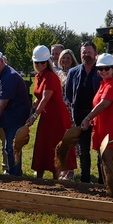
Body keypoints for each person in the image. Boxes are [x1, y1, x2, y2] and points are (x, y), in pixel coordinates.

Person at [26, 45, 74, 179]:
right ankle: (40, 174)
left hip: (57, 117)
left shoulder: (51, 77)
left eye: (43, 62)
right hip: (47, 116)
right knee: (42, 145)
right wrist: (31, 109)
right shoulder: (38, 76)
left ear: (47, 62)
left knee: (55, 145)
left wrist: (34, 116)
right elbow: (39, 98)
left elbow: (45, 99)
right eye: (37, 62)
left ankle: (56, 175)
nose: (40, 65)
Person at [0, 48, 32, 176]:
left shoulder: (10, 76)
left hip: (15, 118)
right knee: (9, 147)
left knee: (12, 147)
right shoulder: (2, 75)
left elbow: (3, 104)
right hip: (10, 117)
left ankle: (15, 175)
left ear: (1, 61)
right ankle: (13, 173)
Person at [80, 53, 113, 185]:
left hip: (110, 127)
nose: (103, 71)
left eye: (107, 68)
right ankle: (107, 187)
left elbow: (104, 104)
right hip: (101, 127)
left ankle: (111, 188)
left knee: (106, 159)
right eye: (100, 68)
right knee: (103, 160)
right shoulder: (104, 84)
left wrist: (87, 118)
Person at [64, 41, 103, 183]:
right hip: (80, 115)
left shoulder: (102, 71)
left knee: (100, 148)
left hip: (98, 116)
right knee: (83, 149)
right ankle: (85, 178)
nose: (86, 55)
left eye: (89, 52)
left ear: (95, 54)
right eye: (83, 53)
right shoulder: (73, 72)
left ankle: (102, 179)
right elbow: (69, 94)